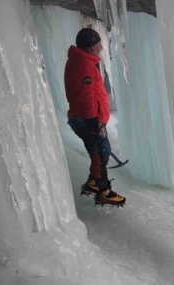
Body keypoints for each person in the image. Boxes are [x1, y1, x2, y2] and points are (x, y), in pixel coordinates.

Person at [64, 28, 125, 206]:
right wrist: (93, 123)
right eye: (99, 44)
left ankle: (92, 183)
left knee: (99, 153)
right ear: (91, 45)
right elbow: (86, 96)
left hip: (87, 118)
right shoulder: (83, 63)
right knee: (99, 154)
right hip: (88, 119)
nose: (101, 47)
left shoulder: (82, 61)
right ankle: (104, 192)